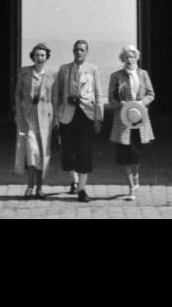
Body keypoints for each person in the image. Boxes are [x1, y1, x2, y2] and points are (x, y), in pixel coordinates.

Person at [54, 39, 103, 201]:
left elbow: (98, 94)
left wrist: (98, 118)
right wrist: (55, 116)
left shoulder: (93, 69)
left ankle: (82, 189)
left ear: (87, 52)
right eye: (77, 49)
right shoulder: (64, 69)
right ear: (73, 51)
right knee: (67, 153)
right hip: (67, 115)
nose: (79, 52)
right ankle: (73, 180)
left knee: (84, 151)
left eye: (82, 50)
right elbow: (57, 94)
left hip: (86, 114)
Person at [107, 44, 155, 200]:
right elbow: (111, 98)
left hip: (139, 118)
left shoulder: (143, 74)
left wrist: (143, 103)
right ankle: (131, 189)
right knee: (125, 154)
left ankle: (136, 174)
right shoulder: (116, 76)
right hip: (123, 119)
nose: (129, 59)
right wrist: (119, 104)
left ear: (136, 58)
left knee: (137, 152)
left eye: (132, 56)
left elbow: (151, 94)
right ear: (122, 59)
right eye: (126, 57)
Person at [13, 44, 55, 199]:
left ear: (46, 57)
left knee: (43, 153)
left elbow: (54, 99)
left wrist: (55, 118)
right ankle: (29, 186)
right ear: (33, 56)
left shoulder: (51, 75)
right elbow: (17, 95)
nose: (40, 58)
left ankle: (39, 187)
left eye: (43, 55)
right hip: (28, 118)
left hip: (45, 119)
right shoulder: (25, 73)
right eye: (37, 55)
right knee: (32, 152)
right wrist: (19, 113)